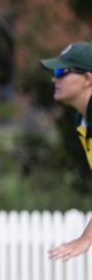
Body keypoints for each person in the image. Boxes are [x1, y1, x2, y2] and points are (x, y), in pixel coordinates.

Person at [41, 42, 92, 261]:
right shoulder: (82, 120)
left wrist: (86, 239)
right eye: (54, 72)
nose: (55, 79)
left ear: (88, 79)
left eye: (62, 72)